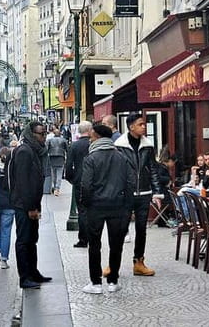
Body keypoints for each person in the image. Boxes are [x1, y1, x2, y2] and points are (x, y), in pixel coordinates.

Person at [80, 124, 134, 294]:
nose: (90, 139)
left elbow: (86, 185)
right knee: (116, 244)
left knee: (94, 244)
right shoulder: (121, 157)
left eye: (92, 136)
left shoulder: (91, 158)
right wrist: (127, 206)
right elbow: (130, 182)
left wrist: (86, 203)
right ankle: (113, 281)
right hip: (117, 206)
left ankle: (95, 283)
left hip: (96, 206)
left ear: (97, 137)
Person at [114, 113, 162, 277]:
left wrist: (157, 193)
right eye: (140, 124)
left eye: (144, 124)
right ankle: (114, 265)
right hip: (126, 193)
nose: (144, 126)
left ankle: (139, 262)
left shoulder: (148, 146)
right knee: (120, 229)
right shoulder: (119, 145)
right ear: (131, 126)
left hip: (144, 193)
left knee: (142, 229)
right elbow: (117, 171)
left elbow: (153, 169)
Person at [9, 121, 53, 289]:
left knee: (32, 239)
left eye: (45, 133)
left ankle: (33, 272)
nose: (44, 137)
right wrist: (31, 208)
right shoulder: (25, 152)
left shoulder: (33, 151)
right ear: (31, 134)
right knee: (24, 240)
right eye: (41, 134)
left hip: (31, 203)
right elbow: (23, 183)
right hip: (24, 205)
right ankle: (25, 277)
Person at [65, 121, 93, 248]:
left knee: (82, 211)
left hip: (79, 182)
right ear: (90, 130)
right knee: (93, 210)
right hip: (94, 181)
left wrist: (72, 179)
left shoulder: (74, 146)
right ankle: (94, 238)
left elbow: (68, 166)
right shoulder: (93, 144)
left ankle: (83, 239)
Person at [46, 128, 68, 196]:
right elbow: (67, 149)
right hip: (61, 157)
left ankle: (53, 186)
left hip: (52, 157)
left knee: (53, 174)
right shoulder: (63, 140)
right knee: (59, 174)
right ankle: (57, 188)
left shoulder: (50, 140)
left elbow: (46, 149)